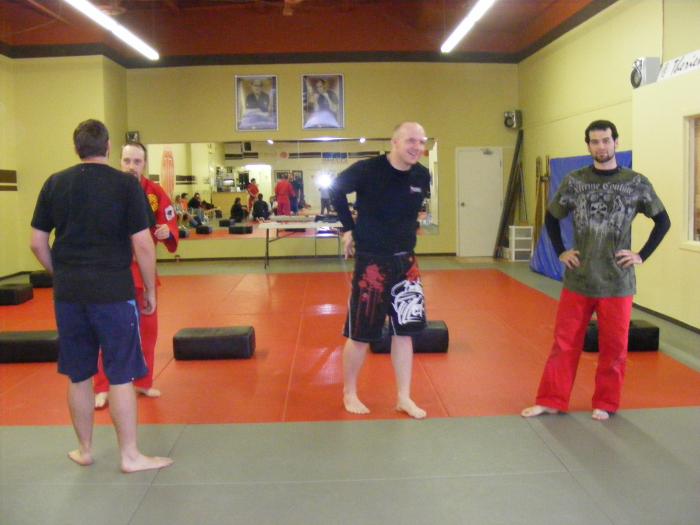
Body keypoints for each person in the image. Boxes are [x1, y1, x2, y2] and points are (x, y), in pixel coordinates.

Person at [30, 119, 172, 472]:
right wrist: (150, 288)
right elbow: (143, 243)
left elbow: (37, 242)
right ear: (108, 148)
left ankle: (85, 450)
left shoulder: (55, 183)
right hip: (113, 292)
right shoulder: (125, 185)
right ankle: (130, 456)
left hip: (69, 295)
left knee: (79, 374)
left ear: (76, 148)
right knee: (121, 374)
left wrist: (60, 273)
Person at [522, 120, 670, 421]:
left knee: (614, 349)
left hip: (617, 281)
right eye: (594, 142)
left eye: (605, 140)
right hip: (579, 278)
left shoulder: (635, 182)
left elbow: (663, 221)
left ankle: (606, 402)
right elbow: (551, 217)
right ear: (588, 145)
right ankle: (551, 399)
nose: (600, 147)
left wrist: (641, 255)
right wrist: (561, 250)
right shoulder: (575, 181)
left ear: (616, 142)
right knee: (564, 344)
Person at [330, 122, 431, 419]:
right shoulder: (368, 170)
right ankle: (350, 392)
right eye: (411, 140)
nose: (417, 147)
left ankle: (404, 397)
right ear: (394, 142)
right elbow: (335, 189)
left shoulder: (422, 175)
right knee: (361, 334)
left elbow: (408, 212)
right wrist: (348, 228)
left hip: (406, 263)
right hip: (372, 262)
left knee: (405, 332)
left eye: (421, 141)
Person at [93, 141, 179, 409]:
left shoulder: (154, 192)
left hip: (142, 271)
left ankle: (143, 381)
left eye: (137, 161)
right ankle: (102, 386)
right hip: (112, 271)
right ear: (119, 160)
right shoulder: (104, 190)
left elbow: (168, 220)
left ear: (145, 164)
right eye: (127, 160)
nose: (131, 166)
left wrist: (166, 232)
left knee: (147, 330)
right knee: (108, 332)